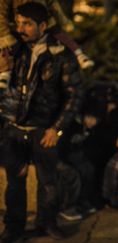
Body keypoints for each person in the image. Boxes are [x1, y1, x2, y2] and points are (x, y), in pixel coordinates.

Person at [0, 2, 82, 242]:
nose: (21, 28)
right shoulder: (14, 51)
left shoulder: (60, 55)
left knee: (48, 182)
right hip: (14, 130)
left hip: (44, 130)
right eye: (18, 23)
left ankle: (47, 223)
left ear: (43, 25)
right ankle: (13, 228)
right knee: (15, 183)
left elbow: (74, 94)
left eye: (27, 24)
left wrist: (56, 129)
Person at [0, 0, 94, 90]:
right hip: (18, 22)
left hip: (41, 18)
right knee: (8, 46)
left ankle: (78, 53)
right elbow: (1, 14)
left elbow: (54, 6)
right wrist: (6, 34)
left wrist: (63, 21)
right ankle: (5, 72)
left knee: (58, 32)